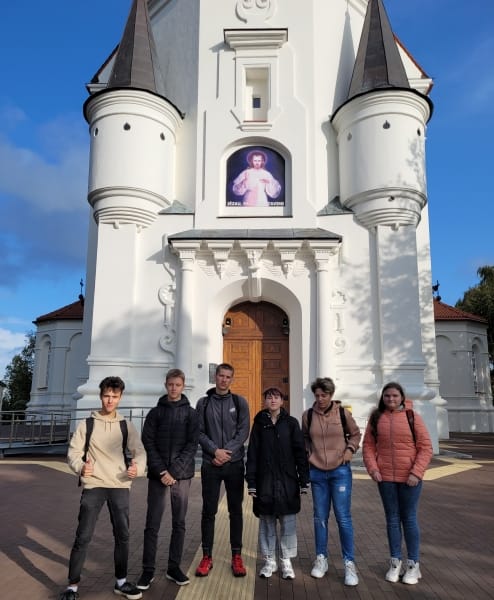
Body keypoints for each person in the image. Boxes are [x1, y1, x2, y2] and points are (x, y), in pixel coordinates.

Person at [60, 376, 146, 600]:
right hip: (94, 485)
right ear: (101, 396)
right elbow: (74, 452)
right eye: (106, 396)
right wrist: (80, 467)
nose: (110, 400)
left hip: (119, 485)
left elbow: (140, 451)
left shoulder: (125, 425)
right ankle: (72, 587)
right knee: (83, 536)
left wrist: (138, 468)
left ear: (120, 397)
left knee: (123, 535)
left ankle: (121, 582)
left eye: (114, 396)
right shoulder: (87, 424)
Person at [362, 381, 433, 585]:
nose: (391, 399)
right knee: (392, 520)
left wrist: (416, 473)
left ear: (402, 397)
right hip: (386, 479)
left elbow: (425, 447)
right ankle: (395, 562)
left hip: (410, 478)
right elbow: (368, 446)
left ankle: (413, 564)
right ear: (382, 398)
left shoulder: (412, 417)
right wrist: (373, 469)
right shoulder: (376, 418)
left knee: (409, 519)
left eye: (394, 396)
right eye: (387, 396)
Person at [136, 369, 199, 591]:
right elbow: (148, 442)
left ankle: (174, 568)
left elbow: (192, 445)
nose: (174, 388)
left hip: (181, 476)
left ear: (183, 386)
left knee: (179, 523)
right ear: (165, 385)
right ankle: (148, 570)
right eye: (170, 384)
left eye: (177, 385)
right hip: (158, 476)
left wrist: (174, 471)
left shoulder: (191, 414)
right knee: (152, 523)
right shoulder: (155, 413)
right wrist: (162, 470)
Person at [302, 377, 361, 586]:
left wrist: (349, 451)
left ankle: (349, 563)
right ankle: (321, 559)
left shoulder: (343, 414)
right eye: (317, 395)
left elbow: (355, 434)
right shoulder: (308, 415)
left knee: (343, 517)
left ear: (331, 395)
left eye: (324, 395)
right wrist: (310, 453)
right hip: (317, 473)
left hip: (340, 471)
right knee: (320, 517)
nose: (320, 399)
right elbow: (305, 438)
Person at [246, 387, 309, 580]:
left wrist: (303, 480)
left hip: (287, 481)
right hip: (265, 481)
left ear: (282, 401)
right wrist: (252, 481)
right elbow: (253, 453)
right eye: (269, 397)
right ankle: (269, 561)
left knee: (288, 522)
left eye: (276, 397)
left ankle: (286, 562)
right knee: (267, 522)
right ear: (265, 401)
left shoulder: (291, 423)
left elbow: (300, 452)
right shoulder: (259, 423)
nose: (272, 400)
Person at [195, 363, 250, 577]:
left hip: (234, 464)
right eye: (221, 376)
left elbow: (243, 430)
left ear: (231, 379)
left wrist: (226, 453)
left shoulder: (239, 402)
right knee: (209, 511)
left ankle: (236, 555)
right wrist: (214, 451)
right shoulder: (203, 403)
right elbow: (198, 432)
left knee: (235, 511)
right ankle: (207, 556)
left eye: (228, 376)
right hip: (210, 465)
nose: (224, 380)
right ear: (215, 377)